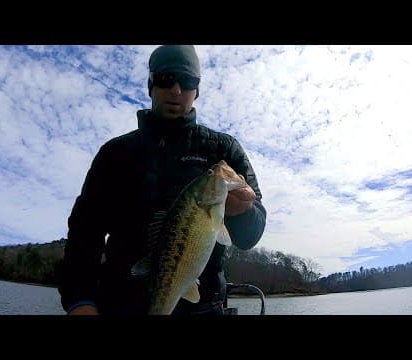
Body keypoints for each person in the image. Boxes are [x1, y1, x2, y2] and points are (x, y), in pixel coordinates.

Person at [58, 45, 267, 315]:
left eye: (188, 81)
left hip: (203, 309)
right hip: (119, 304)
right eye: (166, 79)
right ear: (151, 84)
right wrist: (79, 300)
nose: (176, 90)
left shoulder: (224, 150)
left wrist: (244, 212)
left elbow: (251, 235)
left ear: (197, 90)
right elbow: (85, 233)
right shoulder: (114, 154)